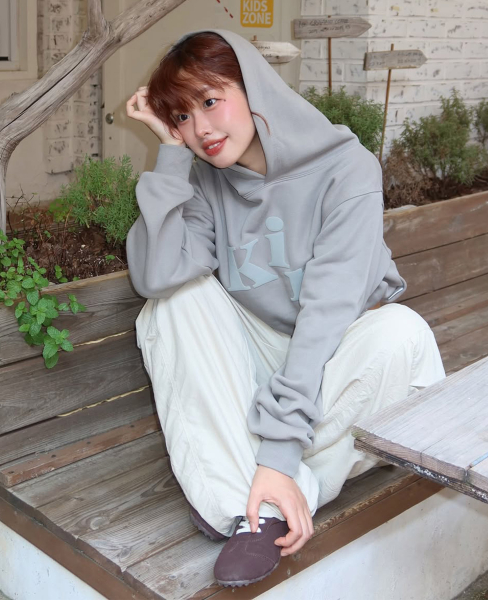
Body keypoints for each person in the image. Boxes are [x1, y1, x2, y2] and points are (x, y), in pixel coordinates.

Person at [125, 28, 446, 588]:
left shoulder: (346, 168)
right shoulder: (202, 180)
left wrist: (275, 454)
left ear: (254, 86)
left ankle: (265, 494)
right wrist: (171, 158)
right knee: (175, 301)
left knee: (403, 333)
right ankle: (256, 505)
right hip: (258, 356)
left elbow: (326, 317)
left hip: (334, 351)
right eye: (180, 117)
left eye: (210, 101)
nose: (201, 129)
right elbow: (156, 276)